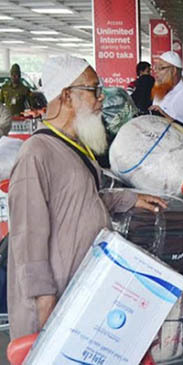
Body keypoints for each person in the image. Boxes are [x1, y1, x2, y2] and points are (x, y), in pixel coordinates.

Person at [7, 55, 166, 339]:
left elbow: (82, 203)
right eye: (94, 90)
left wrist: (130, 200)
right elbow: (26, 239)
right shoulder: (37, 154)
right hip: (52, 303)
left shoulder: (75, 147)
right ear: (67, 95)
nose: (101, 98)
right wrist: (45, 303)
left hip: (80, 290)